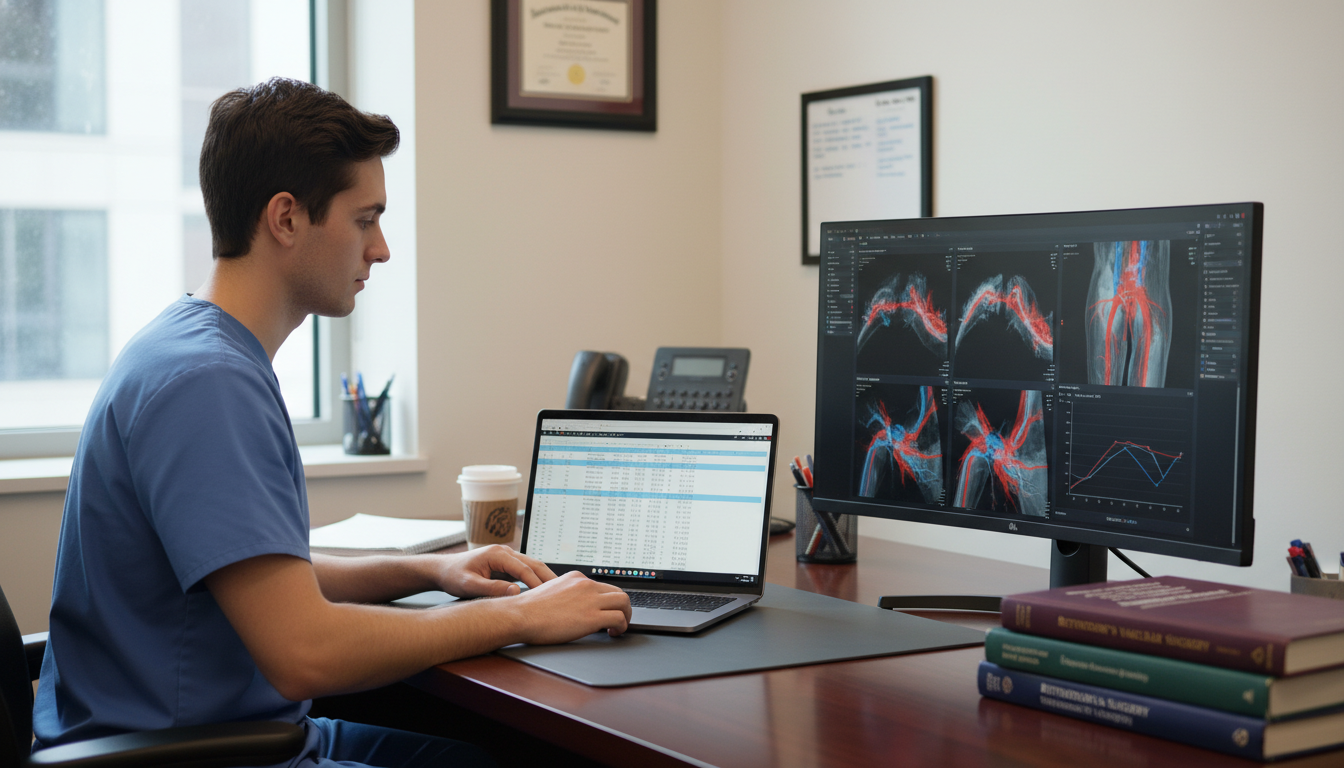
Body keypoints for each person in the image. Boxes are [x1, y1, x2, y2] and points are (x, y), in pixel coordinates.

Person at [32, 77, 631, 768]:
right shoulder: (209, 384)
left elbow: (265, 578)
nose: (380, 249)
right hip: (195, 754)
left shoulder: (192, 349)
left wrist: (435, 570)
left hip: (236, 736)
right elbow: (303, 652)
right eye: (364, 219)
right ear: (286, 218)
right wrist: (520, 615)